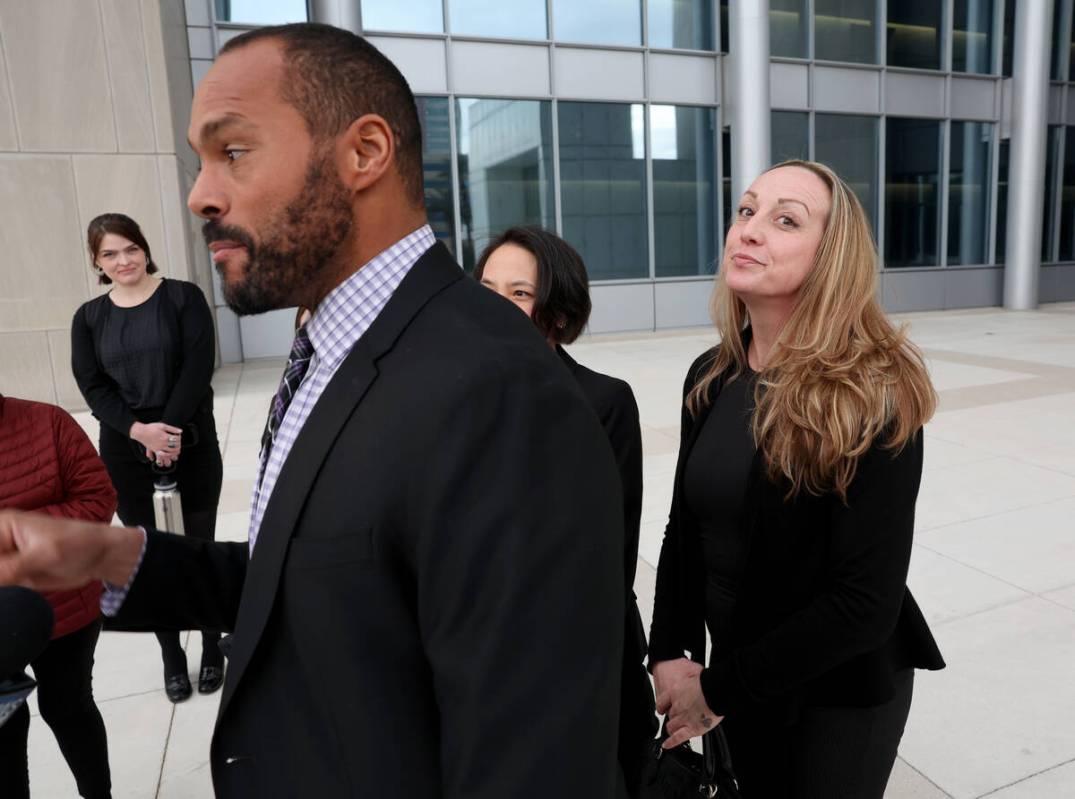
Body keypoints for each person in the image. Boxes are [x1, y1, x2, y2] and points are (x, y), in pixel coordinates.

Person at [0, 23, 627, 799]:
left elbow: (534, 765)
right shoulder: (332, 345)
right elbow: (309, 579)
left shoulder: (500, 391)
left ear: (363, 153)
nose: (199, 193)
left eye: (232, 152)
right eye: (200, 160)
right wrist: (99, 558)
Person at [648, 160, 945, 797]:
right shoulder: (712, 374)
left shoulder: (875, 392)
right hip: (743, 674)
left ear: (831, 258)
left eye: (786, 220)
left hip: (838, 689)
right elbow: (686, 526)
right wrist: (668, 648)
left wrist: (716, 691)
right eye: (747, 211)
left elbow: (863, 606)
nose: (749, 230)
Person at [475, 227, 658, 795]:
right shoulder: (446, 400)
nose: (495, 305)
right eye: (485, 288)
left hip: (577, 657)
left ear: (557, 312)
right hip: (480, 656)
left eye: (520, 292)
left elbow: (610, 560)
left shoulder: (603, 402)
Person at [70, 213, 225, 703]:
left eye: (130, 249)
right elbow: (93, 387)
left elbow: (198, 366)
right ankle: (171, 656)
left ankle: (211, 645)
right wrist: (139, 431)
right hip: (124, 447)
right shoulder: (89, 318)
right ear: (97, 262)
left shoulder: (183, 297)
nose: (123, 261)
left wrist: (168, 430)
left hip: (190, 438)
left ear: (144, 248)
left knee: (198, 548)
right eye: (110, 254)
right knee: (149, 556)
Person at [0, 393, 116, 798]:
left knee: (68, 706)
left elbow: (98, 501)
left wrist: (16, 535)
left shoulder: (47, 422)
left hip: (64, 606)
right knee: (5, 726)